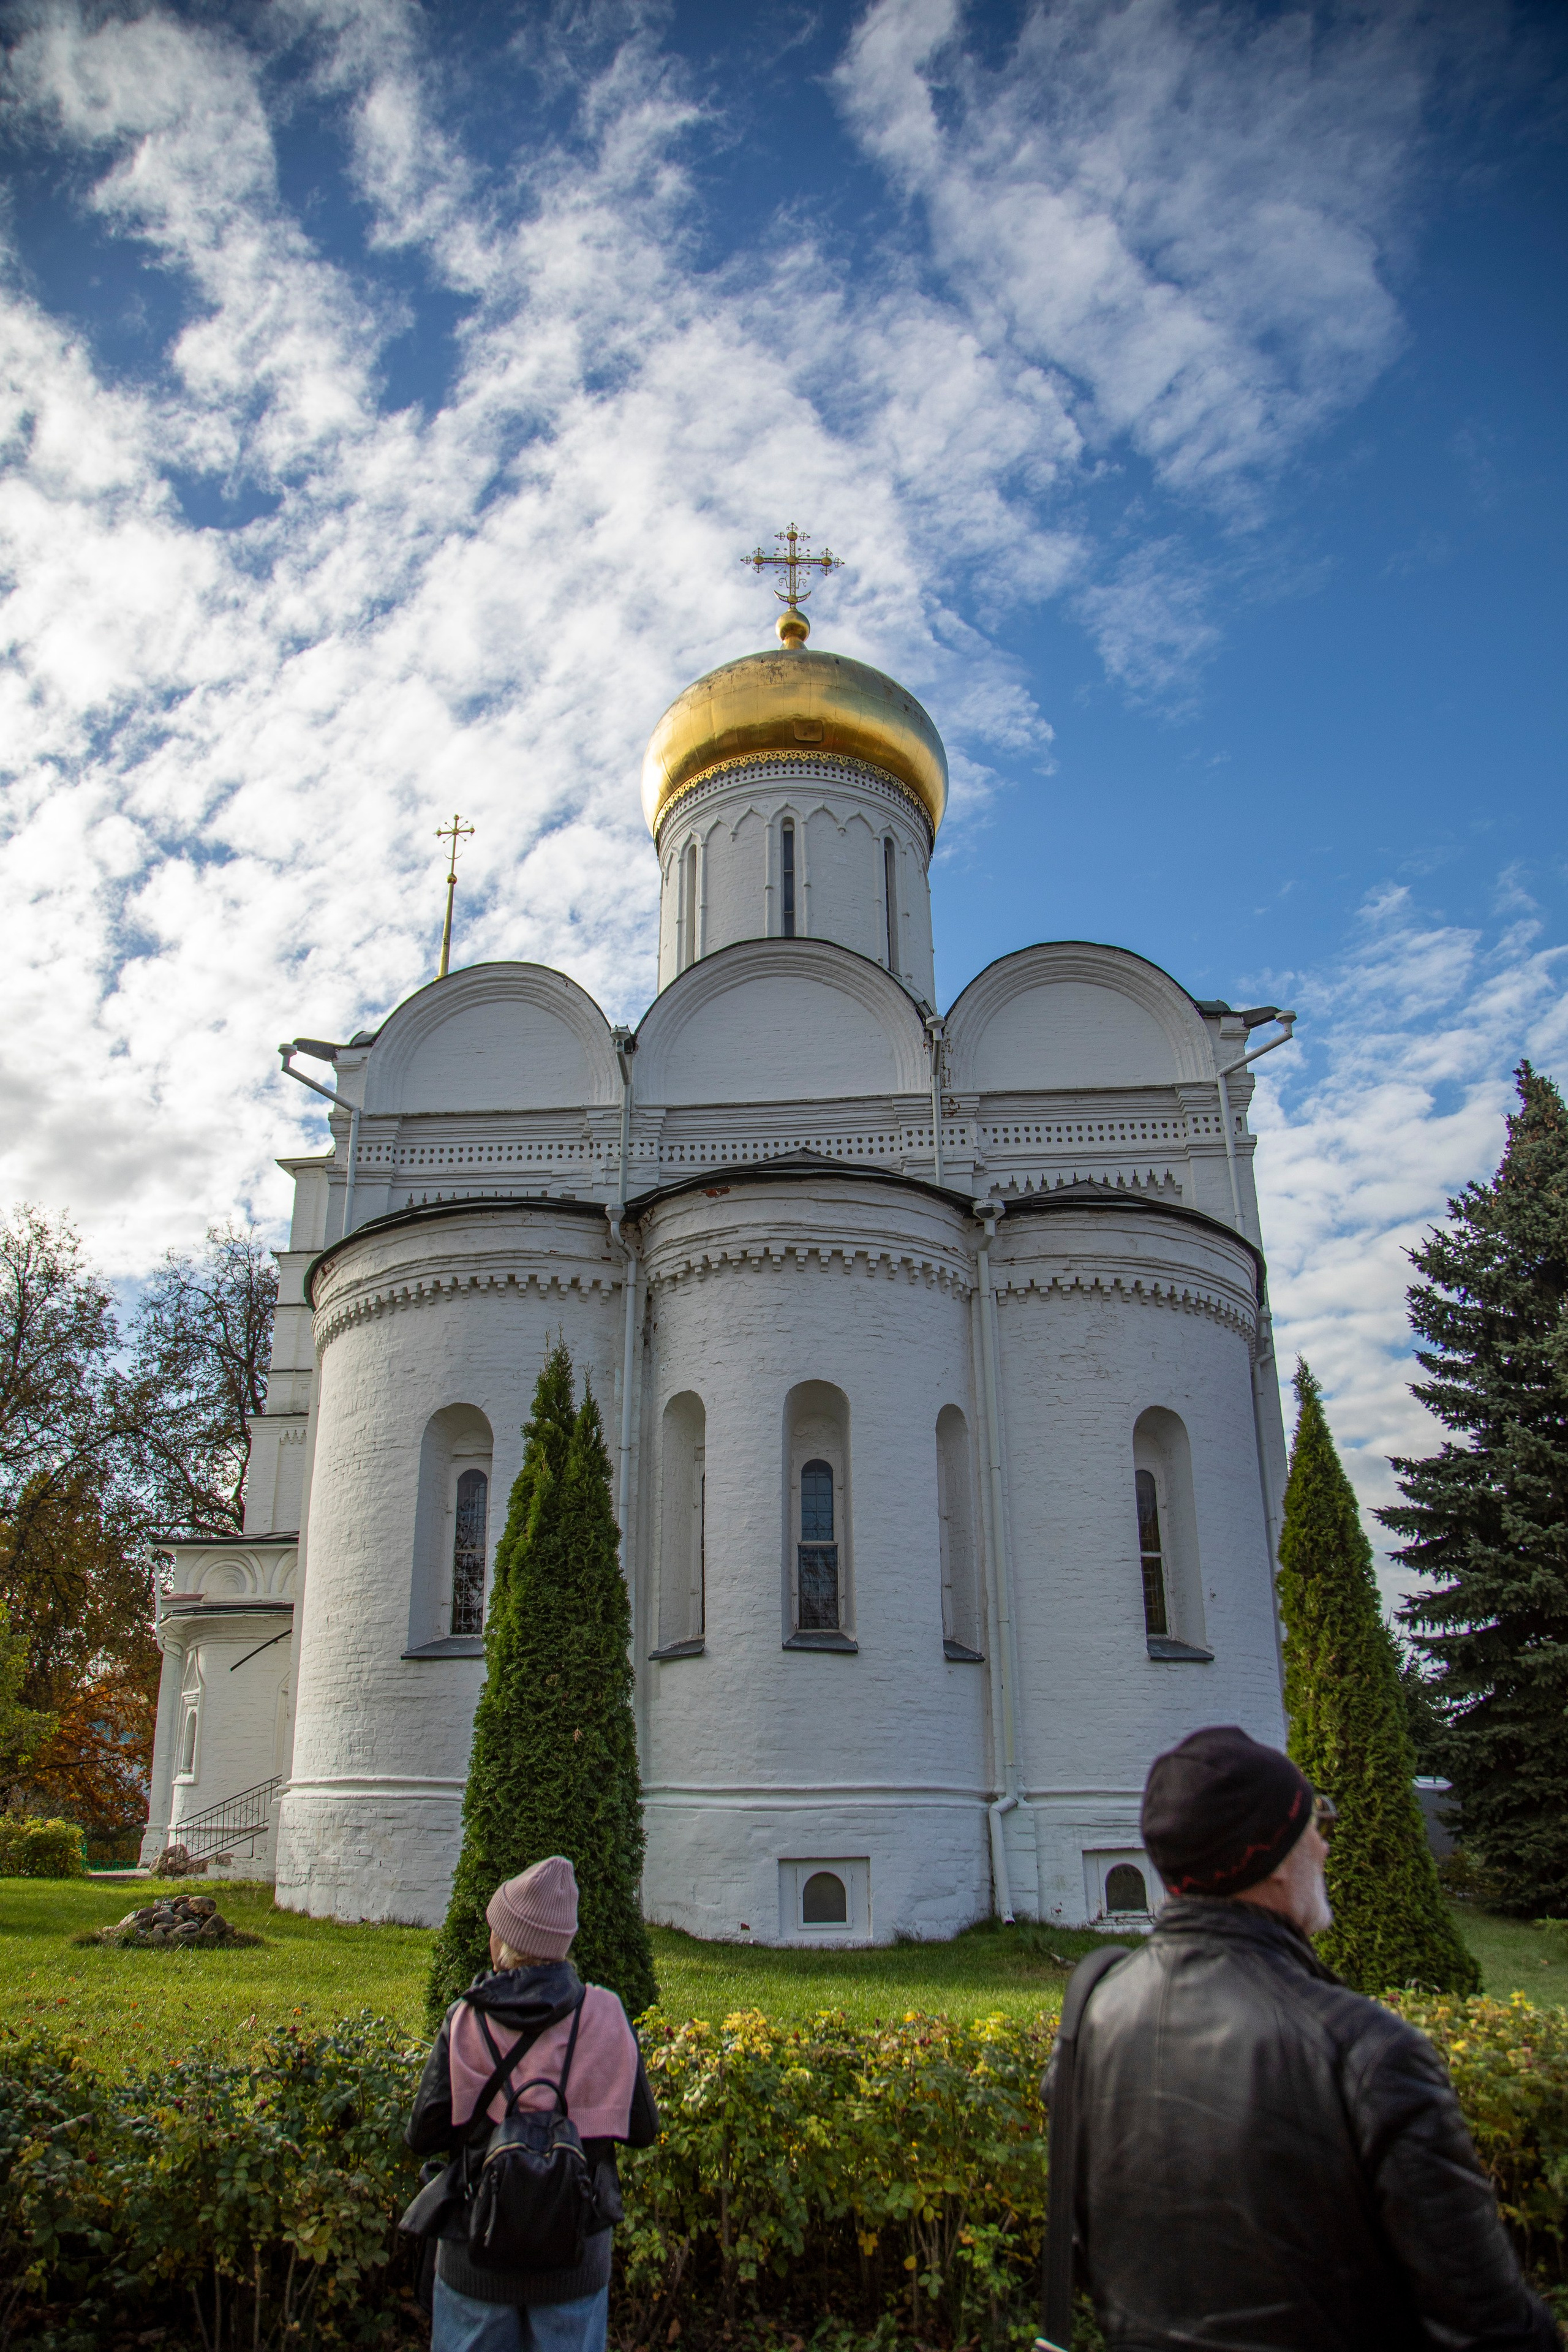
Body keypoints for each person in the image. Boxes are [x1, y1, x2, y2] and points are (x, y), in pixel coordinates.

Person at [1057, 1724, 1556, 2352]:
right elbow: (1490, 2328)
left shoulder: (1096, 2016)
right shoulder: (1367, 2054)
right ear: (1270, 1858)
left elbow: (1091, 2253)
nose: (1323, 1846)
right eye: (1313, 1824)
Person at [407, 1855, 658, 2352]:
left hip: (478, 2250)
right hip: (575, 2250)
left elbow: (424, 2134)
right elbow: (643, 2128)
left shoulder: (466, 2019)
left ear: (504, 1943)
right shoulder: (605, 2013)